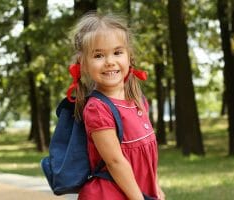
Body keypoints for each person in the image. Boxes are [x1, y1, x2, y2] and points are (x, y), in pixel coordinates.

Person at [69, 12, 165, 200]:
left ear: (130, 57)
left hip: (139, 192)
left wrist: (155, 186)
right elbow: (115, 161)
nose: (110, 61)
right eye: (98, 55)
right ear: (84, 64)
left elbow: (147, 156)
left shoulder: (137, 100)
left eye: (117, 52)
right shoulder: (97, 108)